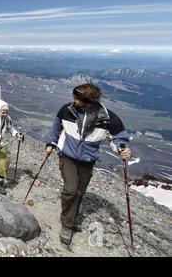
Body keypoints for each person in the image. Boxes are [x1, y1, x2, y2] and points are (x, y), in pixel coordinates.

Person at [45, 83, 132, 245]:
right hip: (67, 155)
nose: (73, 100)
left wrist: (122, 149)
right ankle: (67, 223)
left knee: (79, 193)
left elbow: (118, 138)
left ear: (89, 101)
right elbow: (56, 127)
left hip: (87, 160)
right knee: (70, 189)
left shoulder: (108, 118)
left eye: (76, 98)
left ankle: (69, 219)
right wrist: (51, 142)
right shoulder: (67, 110)